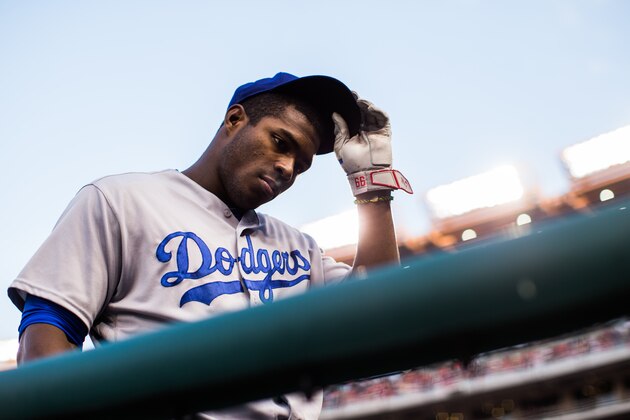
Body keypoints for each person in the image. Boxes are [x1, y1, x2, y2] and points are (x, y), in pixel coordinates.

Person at [8, 72, 413, 419]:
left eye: (302, 165)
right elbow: (49, 331)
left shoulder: (300, 248)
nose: (288, 168)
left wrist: (372, 187)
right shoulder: (122, 199)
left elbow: (377, 320)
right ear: (235, 119)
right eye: (280, 142)